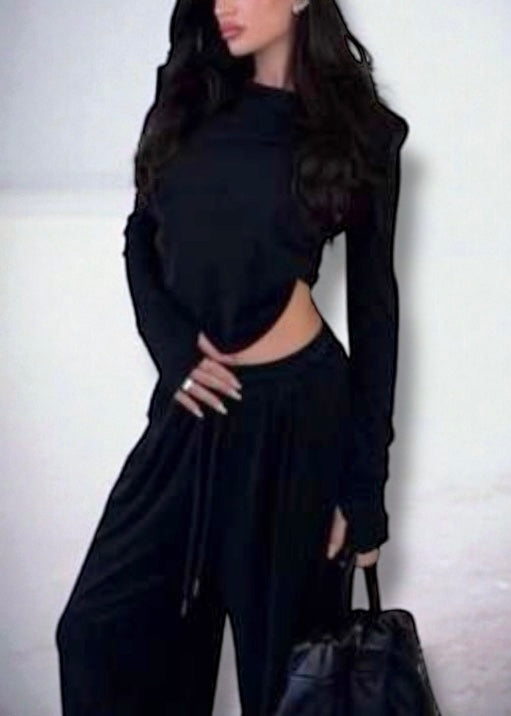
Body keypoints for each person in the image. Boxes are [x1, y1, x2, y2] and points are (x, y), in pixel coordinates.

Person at [55, 0, 409, 713]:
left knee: (288, 685)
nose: (224, 3)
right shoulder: (189, 97)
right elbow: (140, 235)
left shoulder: (360, 131)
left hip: (299, 428)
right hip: (191, 412)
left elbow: (376, 311)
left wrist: (364, 488)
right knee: (97, 634)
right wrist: (169, 348)